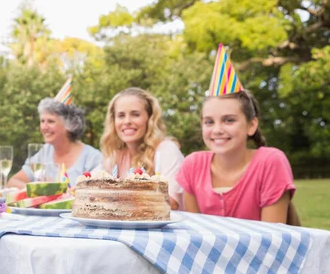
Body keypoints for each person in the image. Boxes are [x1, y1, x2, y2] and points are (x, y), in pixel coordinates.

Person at [176, 90, 295, 222]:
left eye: (229, 120)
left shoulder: (270, 161)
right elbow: (197, 230)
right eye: (209, 122)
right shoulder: (192, 165)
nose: (217, 130)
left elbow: (273, 237)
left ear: (251, 125)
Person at [97, 87, 184, 210]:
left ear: (150, 119)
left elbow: (172, 203)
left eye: (135, 114)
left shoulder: (166, 150)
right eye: (121, 115)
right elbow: (87, 189)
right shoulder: (115, 156)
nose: (127, 121)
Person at [7, 98, 102, 188]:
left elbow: (98, 194)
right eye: (42, 121)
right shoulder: (44, 153)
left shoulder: (93, 158)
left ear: (70, 125)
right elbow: (13, 181)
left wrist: (56, 192)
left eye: (50, 121)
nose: (44, 127)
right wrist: (40, 189)